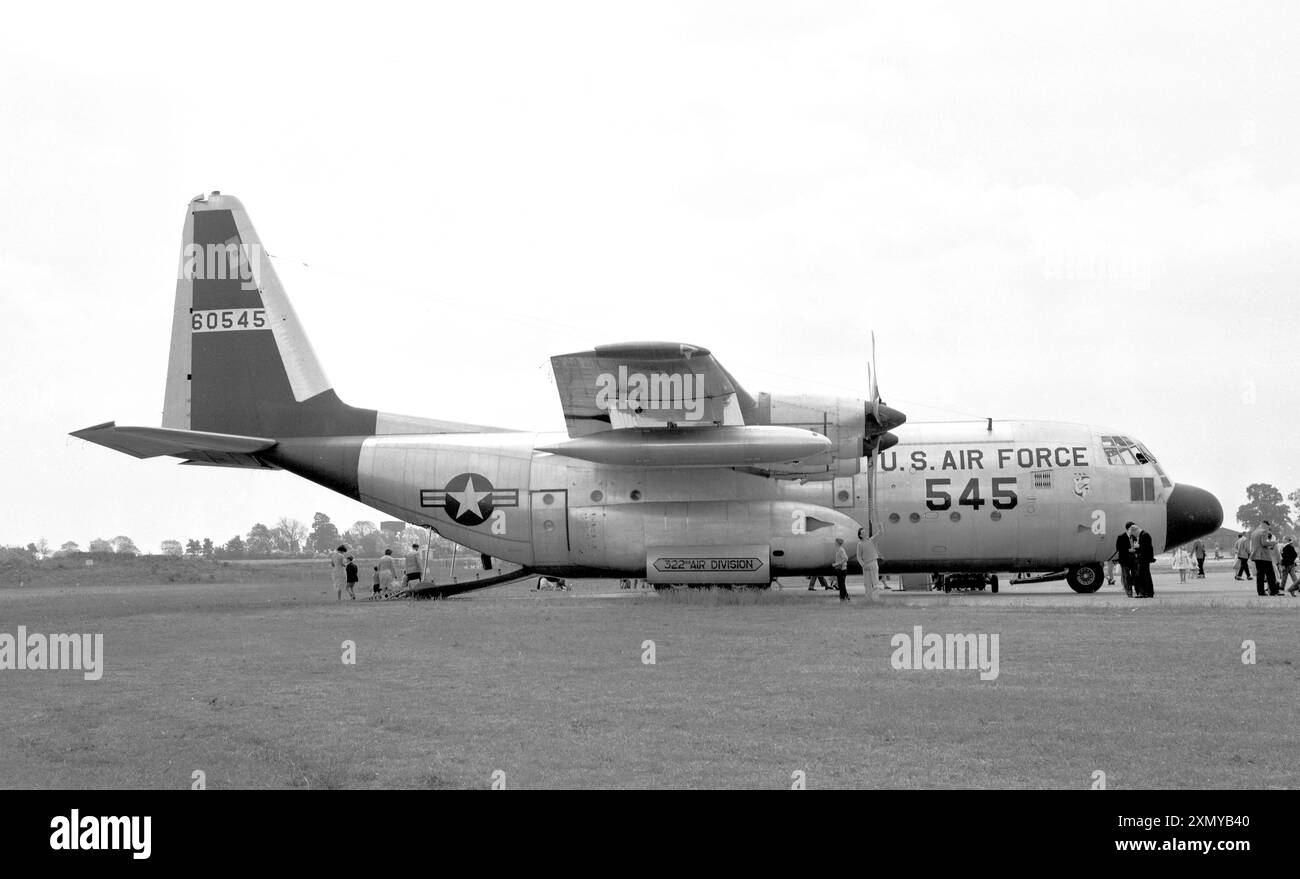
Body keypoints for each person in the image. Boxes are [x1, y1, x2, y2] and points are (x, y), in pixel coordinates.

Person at [1249, 521, 1279, 596]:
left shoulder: (1254, 533)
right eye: (1269, 527)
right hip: (1264, 556)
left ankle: (1261, 592)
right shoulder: (1264, 531)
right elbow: (1264, 543)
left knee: (1260, 575)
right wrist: (1274, 542)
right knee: (1270, 574)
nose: (1269, 529)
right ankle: (1273, 591)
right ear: (1266, 525)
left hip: (1256, 556)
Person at [856, 527, 882, 591]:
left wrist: (880, 527)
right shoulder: (859, 544)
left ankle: (876, 599)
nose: (865, 533)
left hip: (873, 563)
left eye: (865, 532)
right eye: (863, 532)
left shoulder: (871, 540)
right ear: (860, 535)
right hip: (866, 564)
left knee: (875, 582)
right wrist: (863, 565)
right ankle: (868, 599)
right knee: (867, 583)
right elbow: (858, 556)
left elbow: (879, 533)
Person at [1115, 522, 1137, 597]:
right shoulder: (1121, 537)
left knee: (1135, 575)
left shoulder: (1134, 537)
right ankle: (1129, 592)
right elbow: (1118, 548)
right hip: (1124, 560)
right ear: (1128, 528)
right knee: (1126, 576)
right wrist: (1128, 550)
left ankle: (1137, 590)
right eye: (1133, 528)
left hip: (1133, 559)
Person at [1134, 524, 1155, 598]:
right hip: (1144, 558)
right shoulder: (1143, 534)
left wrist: (1138, 546)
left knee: (1144, 575)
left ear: (1136, 531)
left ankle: (1146, 592)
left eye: (1134, 534)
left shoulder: (1145, 535)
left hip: (1144, 558)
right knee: (1145, 575)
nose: (1135, 536)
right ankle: (1147, 592)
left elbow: (1147, 547)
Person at [832, 537, 850, 602]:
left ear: (837, 543)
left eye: (835, 542)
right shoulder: (839, 550)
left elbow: (846, 558)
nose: (834, 543)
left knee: (841, 584)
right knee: (841, 584)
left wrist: (837, 564)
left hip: (842, 569)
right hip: (840, 569)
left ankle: (845, 597)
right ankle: (843, 597)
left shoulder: (841, 550)